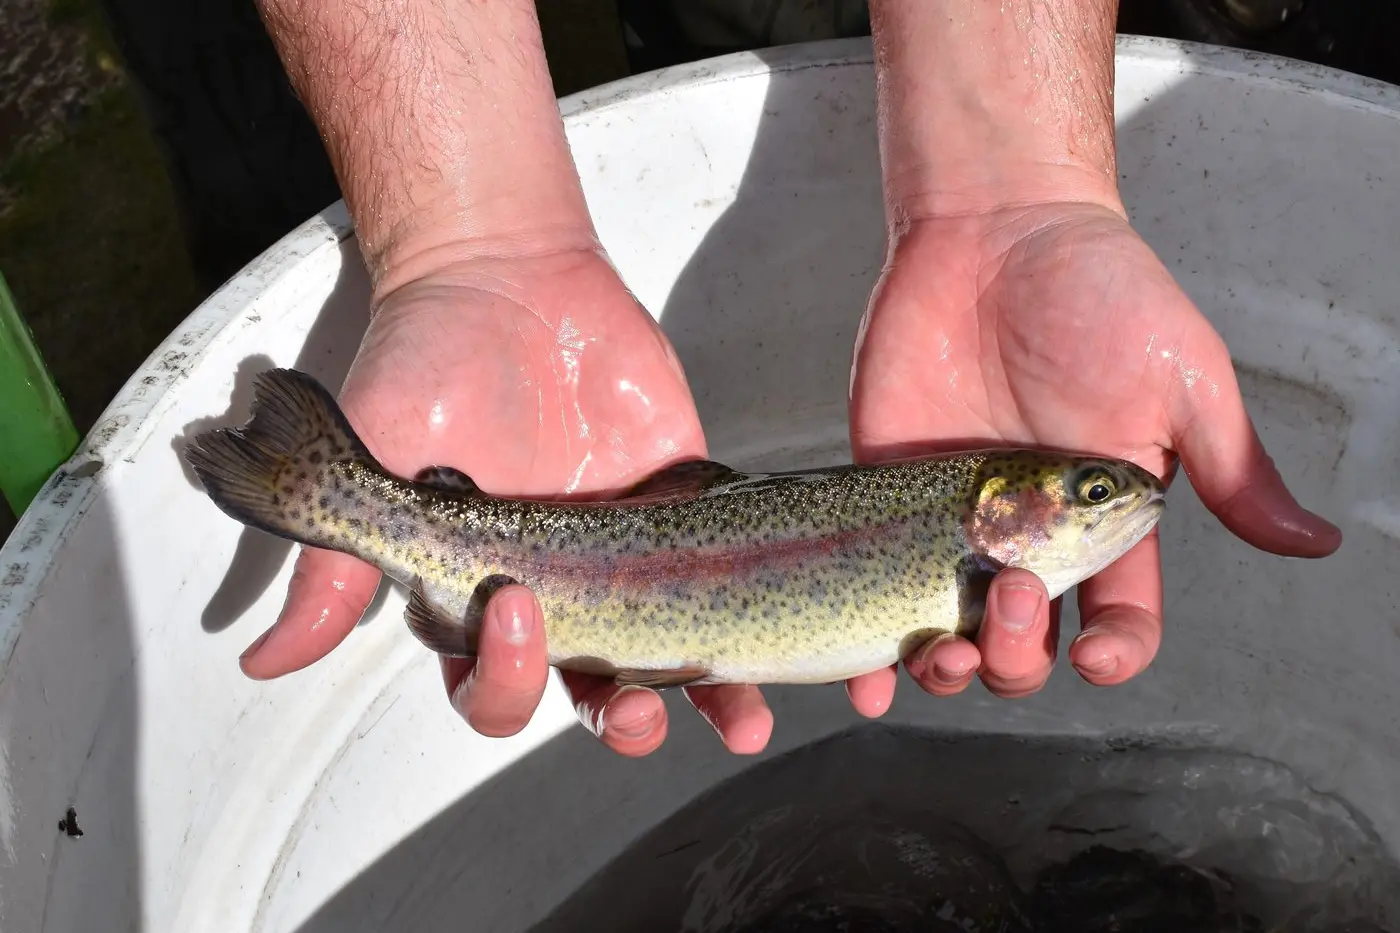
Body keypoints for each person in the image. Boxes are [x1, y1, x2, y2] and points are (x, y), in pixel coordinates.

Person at [235, 0, 1341, 757]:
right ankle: (359, 494)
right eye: (1090, 494)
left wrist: (1017, 188)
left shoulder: (969, 530)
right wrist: (460, 240)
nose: (1124, 500)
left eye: (1094, 492)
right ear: (1003, 507)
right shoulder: (963, 526)